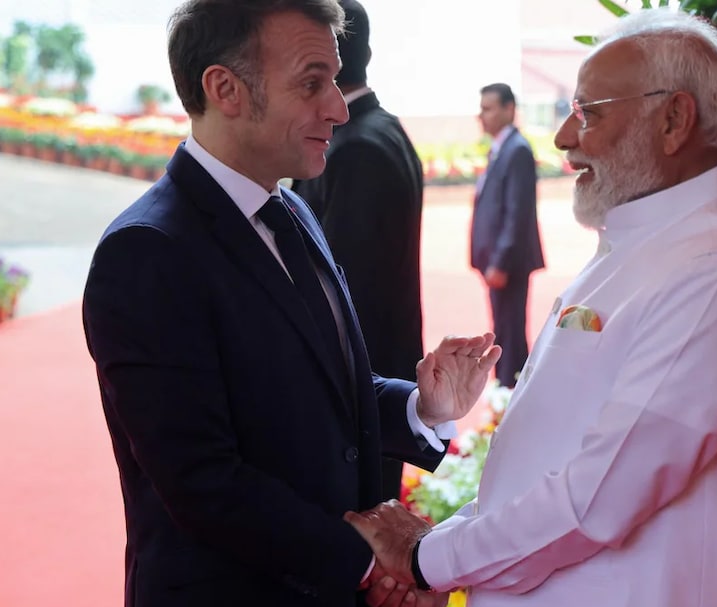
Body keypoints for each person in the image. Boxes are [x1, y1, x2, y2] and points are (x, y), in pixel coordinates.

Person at [344, 8, 717, 607]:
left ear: (673, 119)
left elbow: (599, 495)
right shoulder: (649, 242)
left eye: (588, 112)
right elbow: (545, 470)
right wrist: (443, 559)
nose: (563, 137)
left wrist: (426, 559)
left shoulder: (716, 271)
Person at [80, 1, 500, 605]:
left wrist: (421, 405)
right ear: (225, 88)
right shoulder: (148, 251)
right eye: (312, 83)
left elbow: (319, 395)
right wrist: (370, 556)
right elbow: (203, 482)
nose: (335, 106)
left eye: (334, 78)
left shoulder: (291, 209)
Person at [292, 0, 425, 504]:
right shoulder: (376, 129)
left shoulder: (355, 147)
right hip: (378, 375)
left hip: (363, 388)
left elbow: (344, 290)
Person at [471, 82, 545, 389]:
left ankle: (511, 394)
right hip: (499, 261)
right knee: (503, 329)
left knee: (511, 332)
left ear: (509, 109)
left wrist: (500, 262)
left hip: (509, 264)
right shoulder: (502, 147)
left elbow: (517, 213)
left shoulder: (517, 150)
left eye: (488, 108)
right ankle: (507, 390)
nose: (482, 116)